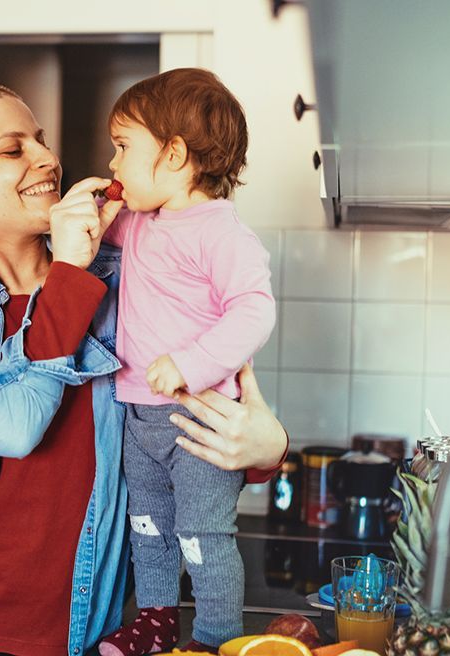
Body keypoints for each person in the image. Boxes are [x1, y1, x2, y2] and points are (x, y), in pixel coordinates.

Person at [0, 83, 287, 656]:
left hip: (91, 633)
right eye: (12, 149)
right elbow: (11, 426)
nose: (47, 158)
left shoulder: (129, 274)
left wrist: (269, 450)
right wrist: (65, 272)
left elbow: (202, 404)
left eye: (40, 141)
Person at [93, 69, 275, 656]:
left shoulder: (222, 234)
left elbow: (254, 312)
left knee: (203, 536)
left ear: (174, 155)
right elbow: (89, 236)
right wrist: (89, 219)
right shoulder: (140, 222)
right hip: (138, 419)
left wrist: (192, 364)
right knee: (148, 530)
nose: (114, 164)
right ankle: (156, 623)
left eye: (123, 148)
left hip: (200, 421)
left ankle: (219, 640)